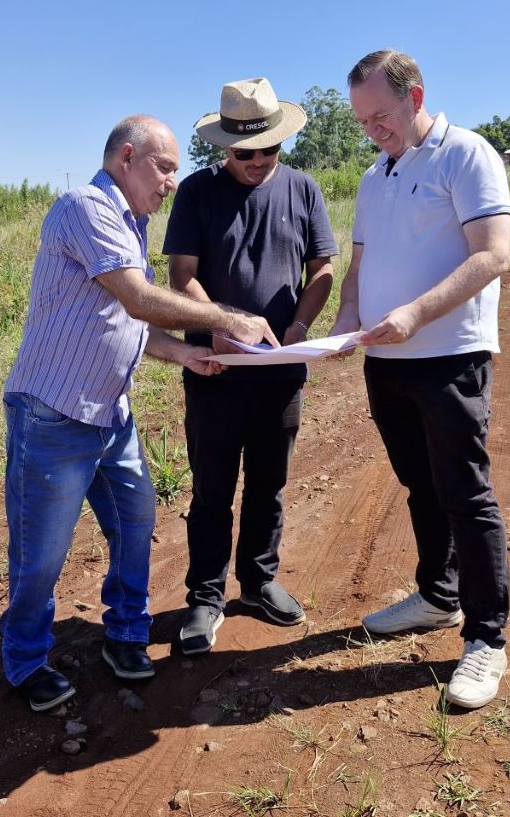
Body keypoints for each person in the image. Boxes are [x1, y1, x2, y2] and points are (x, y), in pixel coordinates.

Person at [1, 115, 278, 712]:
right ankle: (25, 660)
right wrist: (231, 321)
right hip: (53, 414)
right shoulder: (84, 207)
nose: (172, 181)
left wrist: (186, 354)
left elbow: (124, 322)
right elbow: (138, 297)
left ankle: (125, 634)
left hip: (109, 413)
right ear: (128, 157)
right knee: (41, 550)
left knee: (133, 522)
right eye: (165, 167)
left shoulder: (133, 222)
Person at [329, 50, 510, 709]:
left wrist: (413, 313)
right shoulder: (375, 176)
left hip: (449, 355)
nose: (370, 128)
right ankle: (439, 597)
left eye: (379, 114)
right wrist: (347, 321)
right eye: (362, 119)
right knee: (419, 485)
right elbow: (359, 265)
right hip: (387, 364)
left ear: (415, 97)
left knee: (466, 493)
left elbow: (492, 253)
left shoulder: (466, 155)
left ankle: (486, 639)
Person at [163, 78, 338, 655]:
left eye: (269, 150)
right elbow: (181, 276)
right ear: (224, 148)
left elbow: (322, 268)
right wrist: (220, 324)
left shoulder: (304, 190)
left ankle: (259, 581)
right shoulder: (195, 193)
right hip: (214, 368)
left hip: (281, 371)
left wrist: (300, 328)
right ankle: (205, 597)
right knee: (213, 488)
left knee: (269, 483)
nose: (259, 162)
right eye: (245, 153)